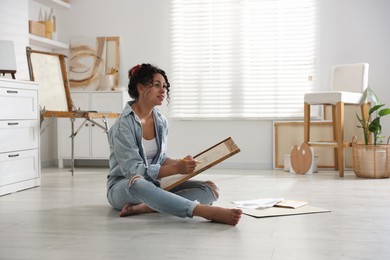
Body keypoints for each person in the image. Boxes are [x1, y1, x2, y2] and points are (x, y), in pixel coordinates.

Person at [106, 63, 242, 226]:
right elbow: (133, 170)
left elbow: (160, 158)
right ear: (141, 88)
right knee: (137, 181)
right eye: (157, 85)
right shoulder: (123, 125)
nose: (163, 90)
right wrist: (176, 169)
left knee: (210, 189)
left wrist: (180, 163)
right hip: (125, 186)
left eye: (165, 86)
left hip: (154, 185)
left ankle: (150, 206)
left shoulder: (161, 121)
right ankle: (202, 211)